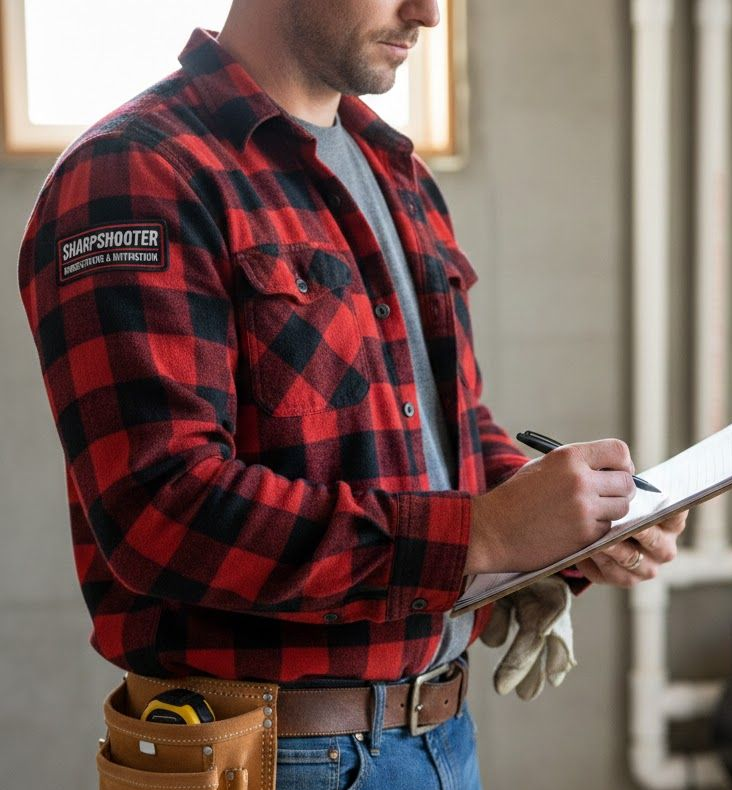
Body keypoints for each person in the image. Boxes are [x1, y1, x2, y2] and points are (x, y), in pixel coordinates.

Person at [17, 1, 688, 788]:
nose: (428, 14)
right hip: (270, 757)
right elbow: (161, 511)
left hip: (440, 737)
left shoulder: (393, 172)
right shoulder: (137, 174)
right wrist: (481, 533)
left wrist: (562, 520)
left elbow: (449, 428)